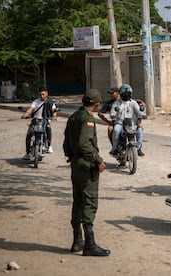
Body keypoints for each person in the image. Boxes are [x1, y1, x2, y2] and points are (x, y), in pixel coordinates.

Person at [63, 89, 110, 257]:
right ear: (96, 104)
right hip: (87, 164)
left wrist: (71, 156)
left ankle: (77, 241)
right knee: (89, 202)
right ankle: (89, 244)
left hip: (76, 163)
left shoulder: (73, 116)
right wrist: (98, 160)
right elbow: (85, 143)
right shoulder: (87, 118)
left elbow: (66, 141)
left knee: (78, 201)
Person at [109, 84, 146, 157]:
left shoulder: (133, 103)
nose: (126, 95)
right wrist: (114, 115)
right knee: (116, 130)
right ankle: (114, 149)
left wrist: (143, 115)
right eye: (124, 93)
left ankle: (138, 149)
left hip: (132, 123)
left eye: (128, 93)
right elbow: (112, 113)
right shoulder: (117, 103)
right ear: (121, 94)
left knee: (140, 131)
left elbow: (138, 112)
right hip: (120, 123)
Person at [21, 87, 57, 160]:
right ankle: (28, 152)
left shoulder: (50, 102)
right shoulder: (36, 102)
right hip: (35, 120)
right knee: (29, 134)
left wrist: (54, 116)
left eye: (43, 94)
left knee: (48, 129)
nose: (42, 96)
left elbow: (54, 111)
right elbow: (31, 109)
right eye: (40, 94)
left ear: (46, 94)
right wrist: (26, 114)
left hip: (45, 120)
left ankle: (49, 146)